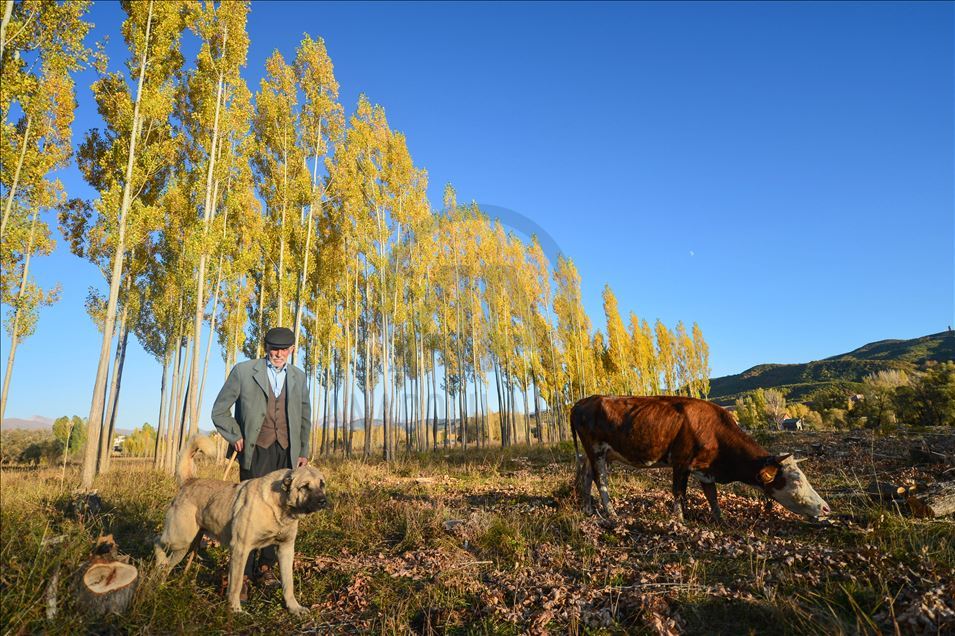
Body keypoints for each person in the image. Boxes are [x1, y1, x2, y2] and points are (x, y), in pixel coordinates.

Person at [212, 326, 311, 593]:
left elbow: (304, 416)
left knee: (280, 509)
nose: (278, 354)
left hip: (287, 453)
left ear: (292, 350)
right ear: (265, 348)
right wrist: (234, 435)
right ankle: (242, 576)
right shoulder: (244, 371)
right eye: (273, 349)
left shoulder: (299, 377)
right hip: (254, 451)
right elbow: (219, 410)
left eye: (283, 349)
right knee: (250, 512)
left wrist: (302, 450)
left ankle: (266, 568)